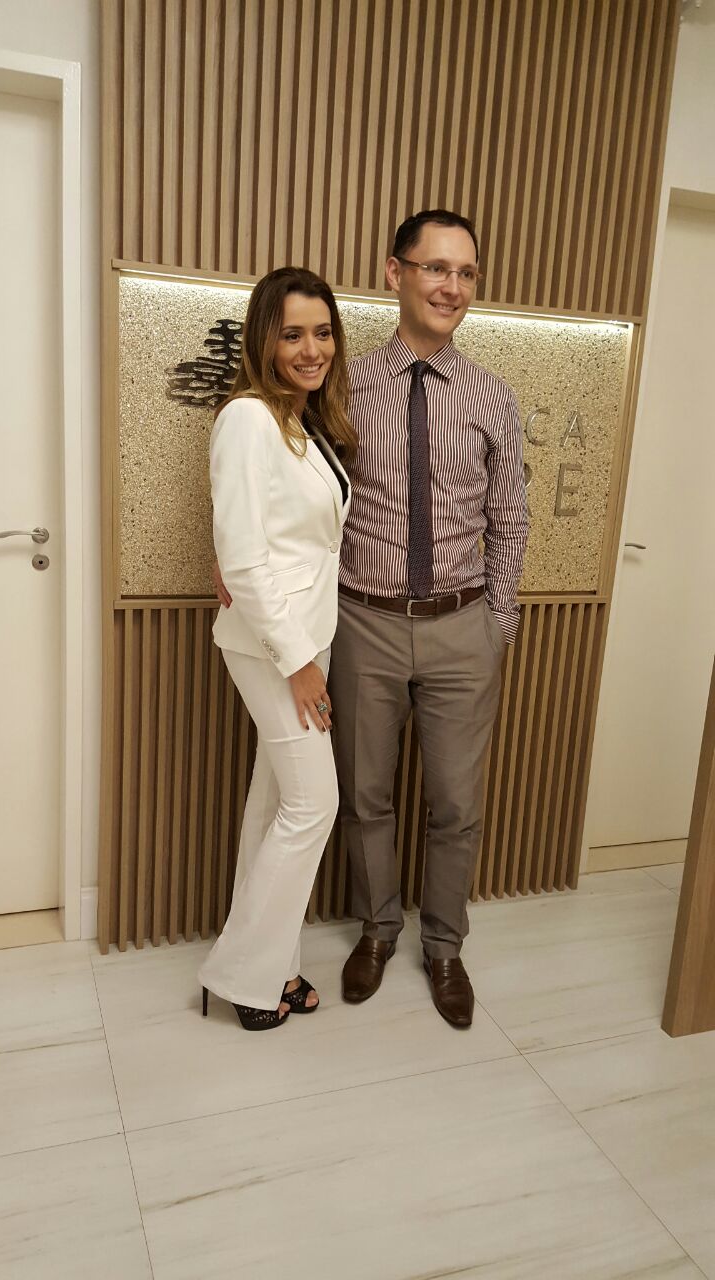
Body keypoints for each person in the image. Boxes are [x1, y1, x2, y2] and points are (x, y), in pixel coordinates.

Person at [331, 209, 528, 1028]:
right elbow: (306, 501)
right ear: (396, 273)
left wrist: (497, 623)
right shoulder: (342, 387)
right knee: (364, 795)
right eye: (436, 268)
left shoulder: (491, 395)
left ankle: (444, 947)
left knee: (456, 804)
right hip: (363, 623)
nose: (452, 286)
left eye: (466, 273)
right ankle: (378, 930)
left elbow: (509, 519)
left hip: (461, 626)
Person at [199, 266, 354, 1031]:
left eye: (322, 332)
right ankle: (241, 971)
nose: (310, 348)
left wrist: (308, 650)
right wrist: (298, 663)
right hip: (272, 645)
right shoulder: (248, 419)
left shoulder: (301, 420)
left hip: (302, 636)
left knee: (274, 803)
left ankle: (273, 967)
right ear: (264, 338)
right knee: (313, 804)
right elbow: (242, 557)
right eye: (292, 334)